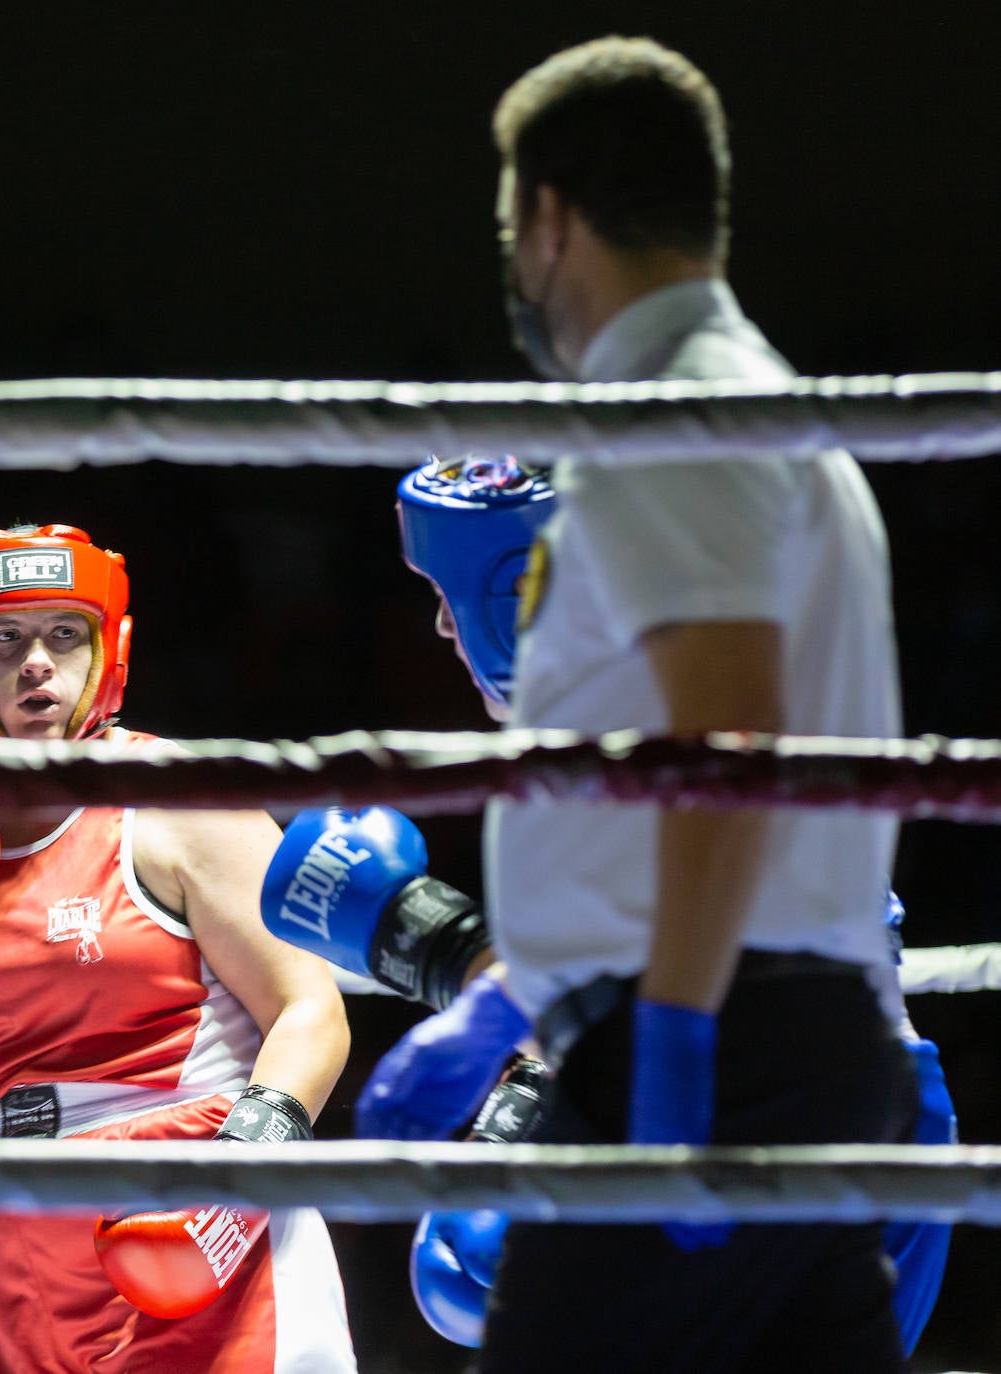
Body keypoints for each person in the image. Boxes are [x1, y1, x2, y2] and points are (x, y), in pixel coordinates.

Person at [356, 34, 924, 1371]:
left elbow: (726, 750)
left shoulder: (673, 415)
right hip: (785, 1027)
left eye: (513, 228)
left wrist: (668, 1037)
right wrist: (516, 999)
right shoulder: (761, 412)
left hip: (717, 1035)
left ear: (550, 220)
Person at [267, 452, 955, 1358]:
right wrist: (478, 983)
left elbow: (722, 847)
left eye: (445, 591)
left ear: (518, 583)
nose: (440, 625)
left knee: (483, 1275)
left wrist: (441, 949)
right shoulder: (623, 699)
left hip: (751, 1092)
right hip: (792, 1080)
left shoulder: (664, 679)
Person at [0, 522, 357, 1374]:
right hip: (2, 1227)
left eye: (64, 633)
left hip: (177, 1195)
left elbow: (310, 1011)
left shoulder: (176, 801)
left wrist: (235, 1184)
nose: (35, 663)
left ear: (108, 651)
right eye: (4, 638)